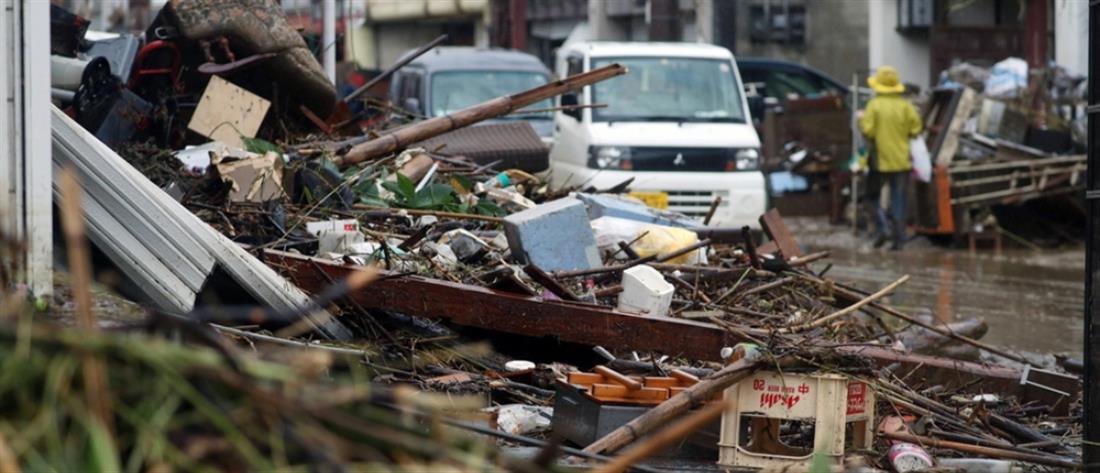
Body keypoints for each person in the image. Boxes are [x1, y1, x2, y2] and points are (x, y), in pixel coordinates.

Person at [859, 66, 922, 250]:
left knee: (871, 197)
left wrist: (860, 120)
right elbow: (916, 129)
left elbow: (868, 130)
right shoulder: (906, 106)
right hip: (902, 161)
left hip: (879, 161)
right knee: (898, 199)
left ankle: (883, 228)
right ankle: (899, 238)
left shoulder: (874, 105)